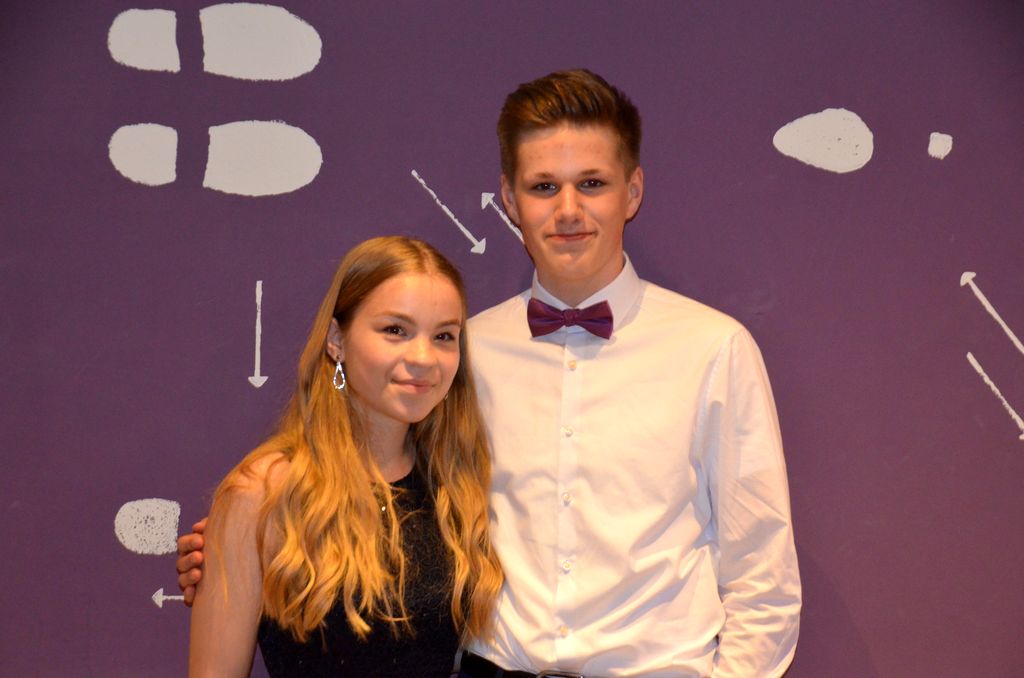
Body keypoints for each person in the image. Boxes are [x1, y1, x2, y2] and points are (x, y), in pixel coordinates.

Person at [181, 69, 801, 677]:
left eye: (591, 183)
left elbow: (763, 582)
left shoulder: (713, 349)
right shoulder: (461, 352)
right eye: (543, 186)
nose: (568, 210)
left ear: (632, 192)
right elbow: (372, 495)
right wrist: (243, 542)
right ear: (509, 199)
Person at [186, 236, 503, 677]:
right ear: (337, 339)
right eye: (395, 330)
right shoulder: (262, 493)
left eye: (444, 336)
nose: (423, 357)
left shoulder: (456, 487)